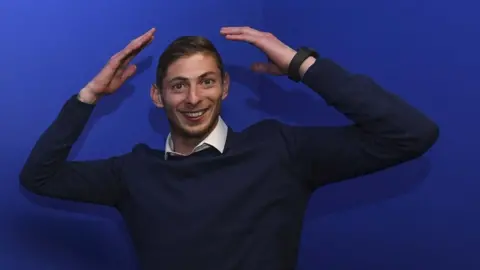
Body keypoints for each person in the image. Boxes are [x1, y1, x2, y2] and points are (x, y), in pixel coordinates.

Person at [20, 26, 439, 270]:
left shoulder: (280, 150)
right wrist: (90, 94)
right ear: (157, 96)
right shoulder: (131, 173)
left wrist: (302, 65)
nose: (193, 98)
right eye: (178, 86)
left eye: (206, 81)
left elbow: (410, 134)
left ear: (225, 87)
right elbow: (39, 176)